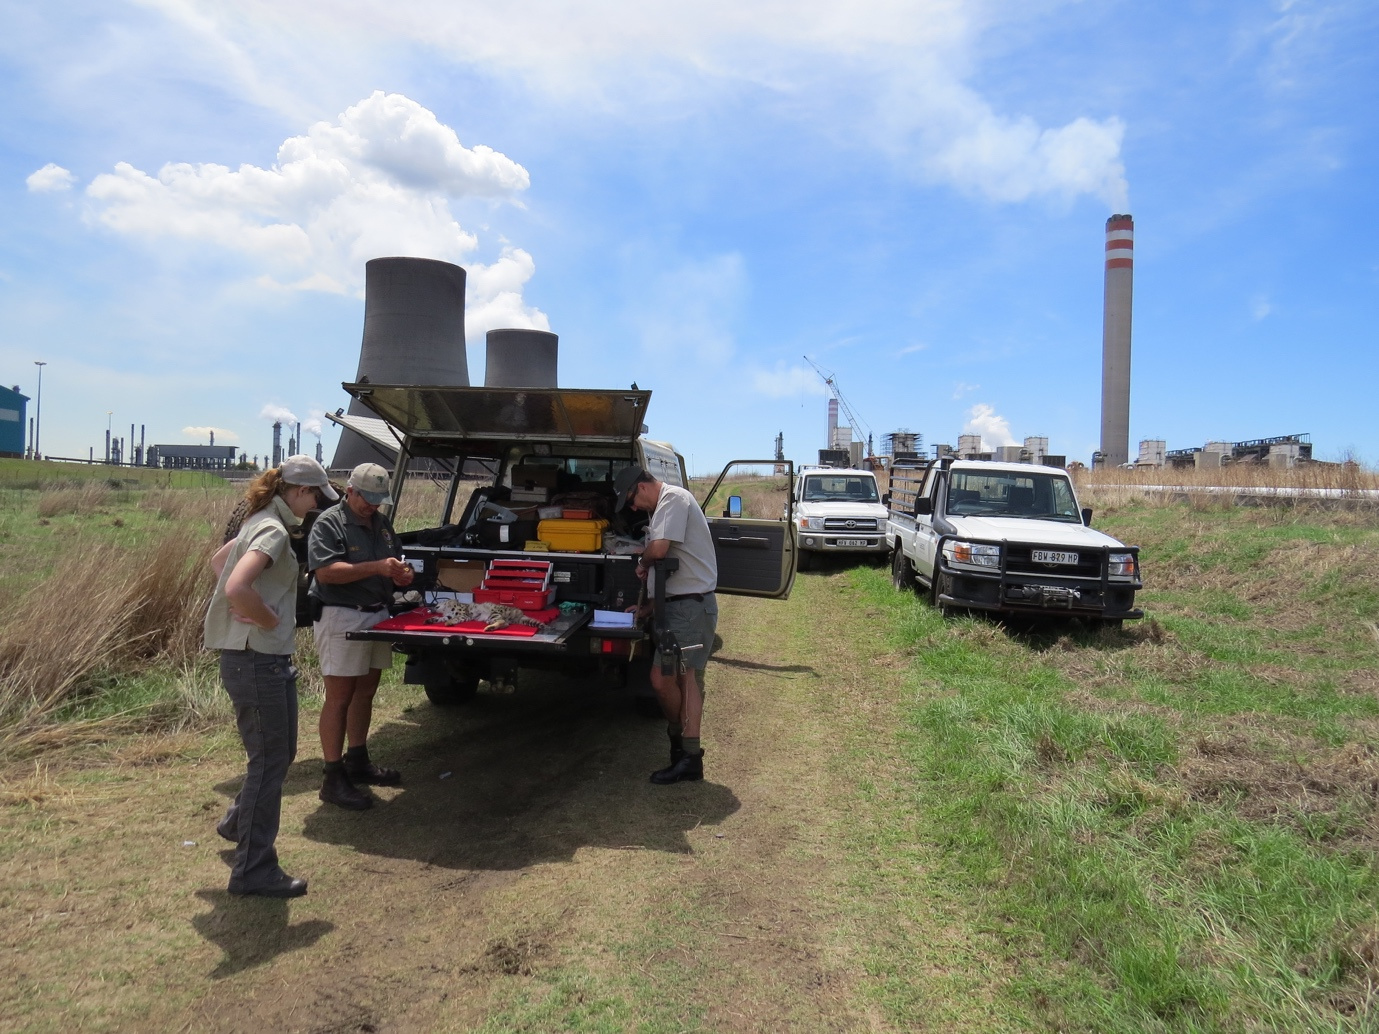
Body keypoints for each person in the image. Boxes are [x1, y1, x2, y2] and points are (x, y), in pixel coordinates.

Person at [205, 454, 338, 898]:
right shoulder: (274, 531)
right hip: (257, 660)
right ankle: (253, 870)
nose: (316, 505)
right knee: (269, 761)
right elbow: (234, 584)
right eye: (314, 496)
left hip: (254, 659)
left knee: (277, 755)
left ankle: (236, 823)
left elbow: (219, 561)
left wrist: (250, 608)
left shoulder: (258, 520)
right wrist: (263, 617)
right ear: (299, 491)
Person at [308, 462, 414, 810]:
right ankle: (332, 776)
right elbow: (326, 573)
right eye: (366, 498)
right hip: (342, 615)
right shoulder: (329, 523)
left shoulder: (381, 524)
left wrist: (400, 574)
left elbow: (393, 559)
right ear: (350, 490)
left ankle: (357, 758)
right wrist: (377, 568)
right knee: (339, 696)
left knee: (366, 691)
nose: (372, 505)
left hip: (376, 614)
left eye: (378, 499)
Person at [614, 464, 718, 784]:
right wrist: (648, 609)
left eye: (631, 500)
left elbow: (658, 551)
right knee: (676, 680)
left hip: (690, 608)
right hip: (677, 606)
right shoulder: (662, 507)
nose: (633, 508)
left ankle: (686, 753)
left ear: (642, 487)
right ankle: (683, 751)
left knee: (672, 680)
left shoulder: (674, 499)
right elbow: (671, 573)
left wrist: (642, 562)